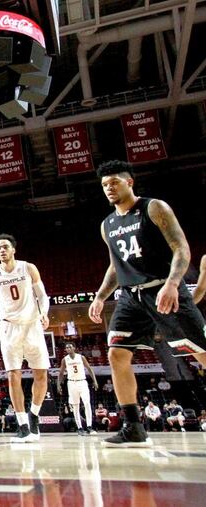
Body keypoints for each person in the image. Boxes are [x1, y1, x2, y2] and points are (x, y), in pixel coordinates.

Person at [87, 160, 206, 447]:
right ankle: (133, 427)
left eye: (114, 182)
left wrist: (172, 283)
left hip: (162, 288)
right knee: (116, 354)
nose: (109, 188)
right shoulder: (108, 225)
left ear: (130, 182)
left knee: (202, 352)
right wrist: (101, 296)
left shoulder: (154, 207)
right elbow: (116, 266)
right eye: (104, 185)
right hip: (130, 296)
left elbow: (181, 248)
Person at [0, 234, 51, 443]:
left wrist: (44, 312)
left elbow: (42, 295)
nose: (2, 250)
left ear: (13, 250)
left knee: (41, 374)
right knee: (13, 375)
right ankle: (22, 425)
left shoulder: (28, 268)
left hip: (32, 325)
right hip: (8, 328)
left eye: (5, 247)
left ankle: (34, 416)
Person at [57, 343, 99, 435]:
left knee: (87, 403)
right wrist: (58, 385)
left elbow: (89, 369)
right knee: (75, 406)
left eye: (70, 347)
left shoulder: (81, 357)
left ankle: (89, 427)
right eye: (66, 347)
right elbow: (60, 373)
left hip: (82, 382)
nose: (68, 348)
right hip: (71, 383)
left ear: (74, 348)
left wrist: (95, 381)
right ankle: (79, 428)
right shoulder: (65, 359)